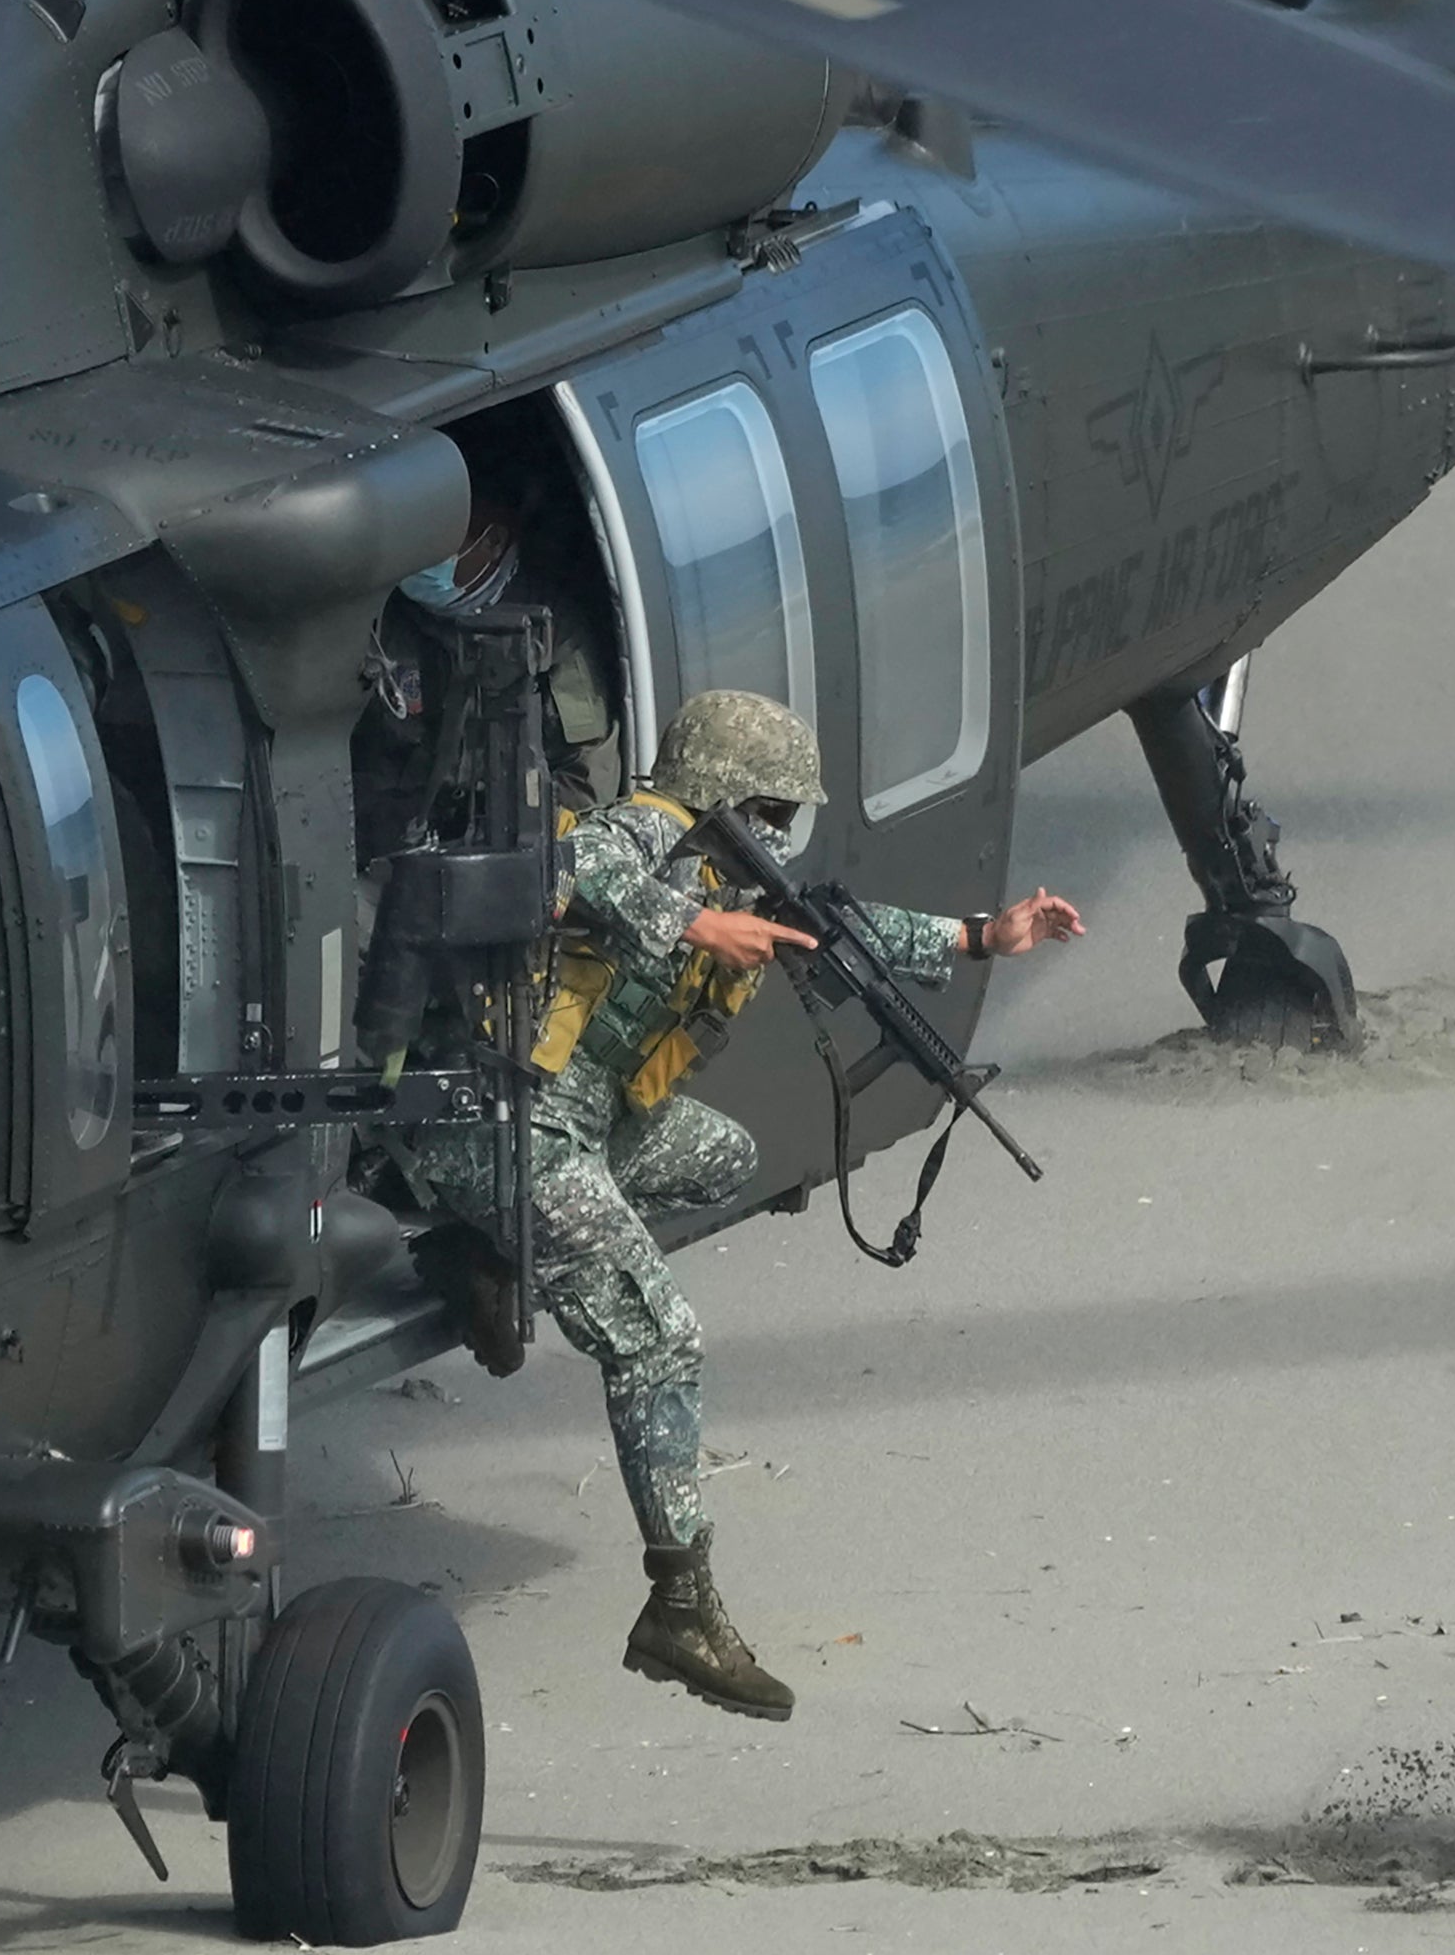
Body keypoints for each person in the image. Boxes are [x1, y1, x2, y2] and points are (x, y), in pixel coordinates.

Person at [384, 687, 1080, 1718]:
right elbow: (569, 869)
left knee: (724, 1154)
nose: (777, 835)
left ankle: (496, 1248)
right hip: (497, 1121)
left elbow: (844, 931)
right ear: (718, 792)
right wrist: (698, 922)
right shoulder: (643, 834)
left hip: (577, 1129)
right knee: (661, 1340)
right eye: (767, 810)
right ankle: (680, 1602)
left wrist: (984, 936)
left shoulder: (728, 875)